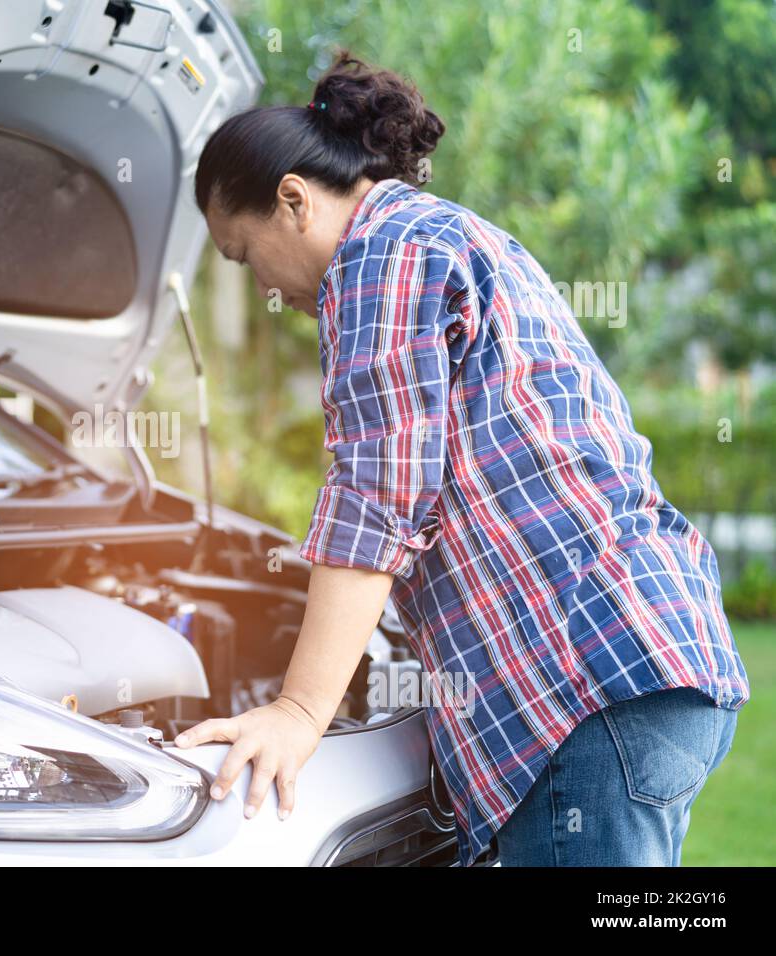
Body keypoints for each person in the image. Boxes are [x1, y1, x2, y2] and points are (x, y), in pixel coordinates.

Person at [172, 49, 750, 866]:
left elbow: (380, 493)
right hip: (640, 664)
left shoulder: (377, 258)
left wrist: (299, 712)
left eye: (242, 255)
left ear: (293, 201)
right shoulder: (438, 234)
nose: (263, 288)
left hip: (585, 692)